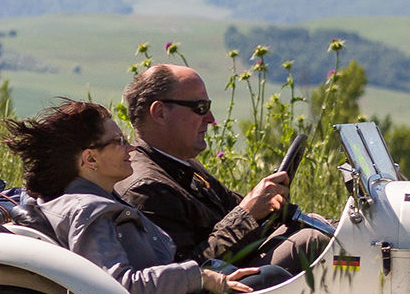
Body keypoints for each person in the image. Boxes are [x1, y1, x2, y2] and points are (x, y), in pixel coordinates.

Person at [1, 100, 259, 294]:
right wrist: (199, 277)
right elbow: (117, 287)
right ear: (90, 159)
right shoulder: (89, 211)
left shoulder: (94, 199)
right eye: (119, 142)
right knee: (267, 279)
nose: (131, 149)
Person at [118, 64, 331, 274]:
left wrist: (264, 205)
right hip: (216, 290)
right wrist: (247, 214)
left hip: (237, 269)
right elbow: (183, 273)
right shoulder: (146, 188)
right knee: (312, 242)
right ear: (160, 113)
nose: (210, 119)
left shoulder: (180, 164)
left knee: (328, 227)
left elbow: (233, 208)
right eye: (200, 108)